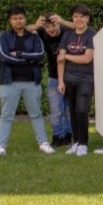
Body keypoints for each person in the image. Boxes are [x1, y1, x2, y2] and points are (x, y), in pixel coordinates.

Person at [0, 6, 56, 158]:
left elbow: (39, 54)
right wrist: (27, 59)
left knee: (36, 114)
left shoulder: (34, 36)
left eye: (21, 18)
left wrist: (18, 54)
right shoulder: (3, 37)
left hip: (31, 81)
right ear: (10, 21)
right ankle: (0, 146)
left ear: (25, 19)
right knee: (6, 115)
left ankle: (43, 143)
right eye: (15, 18)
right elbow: (4, 56)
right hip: (9, 82)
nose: (18, 21)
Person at [57, 4, 97, 156]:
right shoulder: (67, 35)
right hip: (68, 78)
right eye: (76, 16)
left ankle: (83, 143)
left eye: (82, 16)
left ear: (87, 18)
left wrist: (67, 56)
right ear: (72, 18)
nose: (78, 19)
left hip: (86, 78)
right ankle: (76, 141)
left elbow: (87, 58)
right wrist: (60, 81)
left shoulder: (92, 34)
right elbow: (59, 59)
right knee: (72, 111)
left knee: (82, 110)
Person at [32, 12, 72, 147]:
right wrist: (36, 25)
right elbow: (19, 29)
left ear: (58, 23)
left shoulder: (67, 31)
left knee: (68, 110)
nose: (51, 30)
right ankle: (57, 136)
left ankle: (68, 135)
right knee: (56, 110)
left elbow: (81, 26)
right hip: (53, 77)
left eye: (54, 25)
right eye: (47, 27)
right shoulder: (42, 32)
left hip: (69, 76)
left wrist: (63, 20)